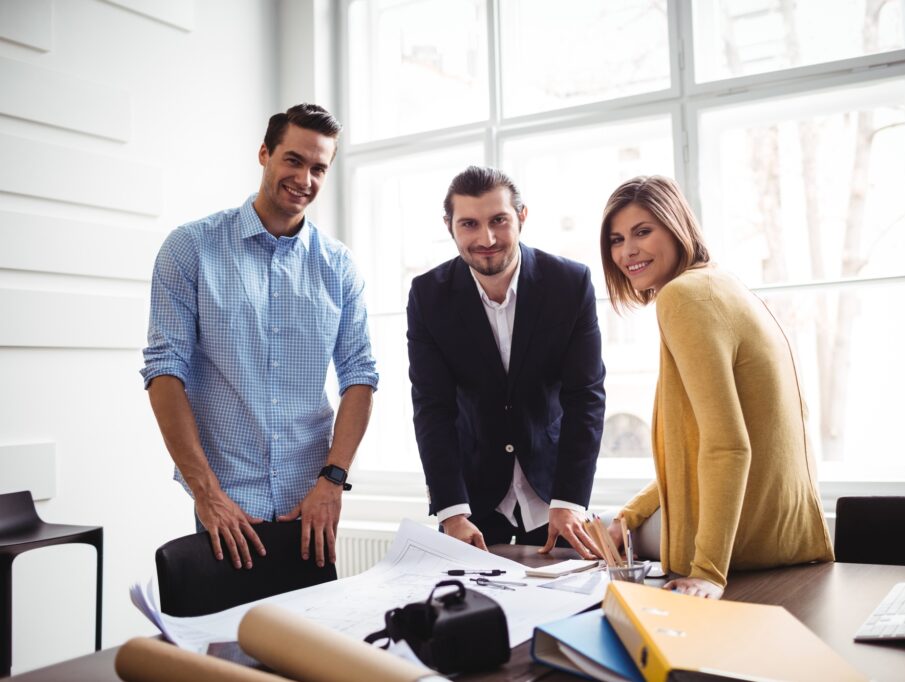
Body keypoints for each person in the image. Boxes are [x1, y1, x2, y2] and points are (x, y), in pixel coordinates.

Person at [141, 103, 378, 571]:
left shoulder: (339, 266)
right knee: (221, 643)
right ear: (264, 154)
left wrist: (333, 482)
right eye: (293, 160)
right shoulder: (191, 248)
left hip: (309, 509)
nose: (304, 179)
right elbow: (164, 372)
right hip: (226, 508)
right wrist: (206, 494)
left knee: (308, 645)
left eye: (318, 168)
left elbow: (360, 376)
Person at [599, 175, 834, 598]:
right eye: (616, 239)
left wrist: (707, 572)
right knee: (605, 528)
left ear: (676, 227)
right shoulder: (725, 285)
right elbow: (696, 451)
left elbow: (728, 445)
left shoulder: (683, 297)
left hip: (741, 550)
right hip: (784, 540)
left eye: (642, 232)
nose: (627, 251)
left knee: (586, 553)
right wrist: (631, 515)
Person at [407, 166, 606, 557]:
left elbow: (585, 398)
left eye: (499, 220)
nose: (487, 238)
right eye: (469, 224)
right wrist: (451, 512)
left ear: (522, 217)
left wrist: (569, 500)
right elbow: (433, 408)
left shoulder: (570, 284)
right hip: (472, 500)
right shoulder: (428, 296)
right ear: (450, 226)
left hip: (555, 496)